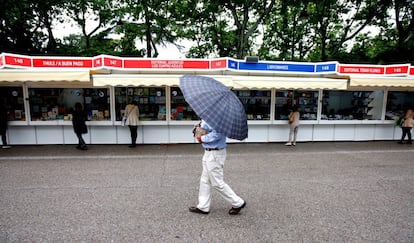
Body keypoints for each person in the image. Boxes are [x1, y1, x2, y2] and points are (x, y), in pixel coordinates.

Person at [189, 120, 246, 215]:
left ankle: (238, 203)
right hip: (208, 152)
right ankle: (203, 206)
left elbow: (218, 134)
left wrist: (202, 138)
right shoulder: (211, 115)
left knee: (217, 183)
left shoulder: (221, 119)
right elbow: (208, 126)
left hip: (215, 153)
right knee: (204, 180)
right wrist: (200, 125)